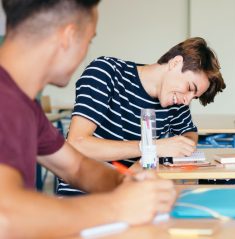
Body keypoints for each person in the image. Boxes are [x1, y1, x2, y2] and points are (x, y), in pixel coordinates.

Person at [0, 0, 176, 238]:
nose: (86, 50)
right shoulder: (5, 100)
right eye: (89, 40)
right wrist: (117, 207)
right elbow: (6, 218)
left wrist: (124, 183)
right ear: (69, 36)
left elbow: (76, 166)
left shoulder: (24, 105)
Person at [57, 37, 226, 195]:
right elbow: (77, 144)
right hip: (84, 195)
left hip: (131, 194)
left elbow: (189, 133)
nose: (186, 101)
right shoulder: (106, 72)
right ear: (175, 63)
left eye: (193, 97)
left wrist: (172, 149)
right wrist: (149, 148)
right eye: (190, 88)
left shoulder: (175, 101)